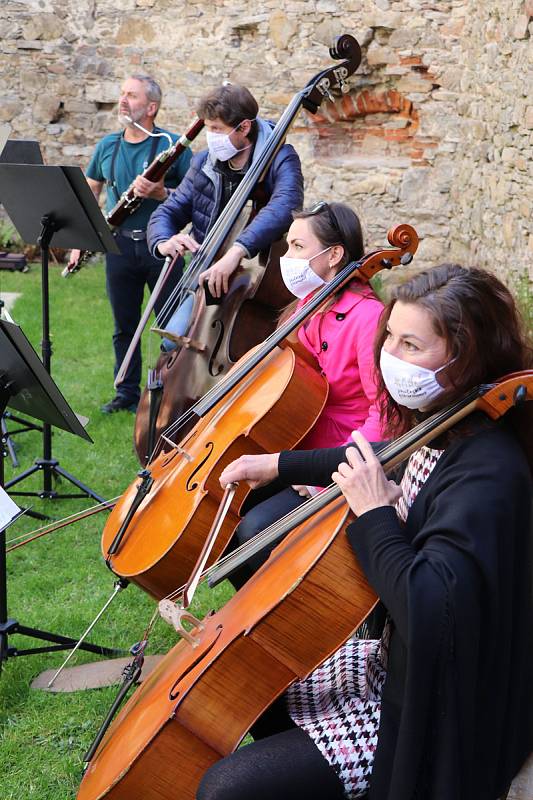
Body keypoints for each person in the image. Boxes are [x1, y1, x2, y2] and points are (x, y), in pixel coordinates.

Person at [200, 263, 533, 800]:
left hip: (434, 710)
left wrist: (375, 514)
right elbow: (382, 456)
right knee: (251, 685)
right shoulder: (449, 423)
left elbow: (432, 614)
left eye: (412, 345)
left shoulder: (490, 472)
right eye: (391, 339)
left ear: (468, 357)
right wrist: (280, 466)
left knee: (225, 789)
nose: (392, 358)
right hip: (394, 665)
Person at [228, 201, 387, 586]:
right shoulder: (308, 304)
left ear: (334, 255)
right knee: (224, 516)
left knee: (253, 534)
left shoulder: (368, 318)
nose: (287, 257)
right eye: (288, 246)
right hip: (296, 448)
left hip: (338, 460)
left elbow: (384, 418)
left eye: (298, 247)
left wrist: (323, 477)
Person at [68, 74, 192, 413]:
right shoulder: (108, 145)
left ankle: (172, 393)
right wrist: (81, 240)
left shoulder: (172, 146)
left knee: (173, 324)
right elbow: (90, 192)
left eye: (132, 96)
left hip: (162, 247)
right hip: (119, 247)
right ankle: (126, 395)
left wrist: (162, 193)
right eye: (122, 94)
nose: (123, 101)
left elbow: (195, 195)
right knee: (124, 325)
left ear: (151, 107)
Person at [146, 83, 304, 349]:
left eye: (217, 129)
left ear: (243, 128)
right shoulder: (204, 162)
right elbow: (169, 210)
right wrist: (163, 241)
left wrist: (237, 251)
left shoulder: (281, 157)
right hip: (205, 276)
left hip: (253, 281)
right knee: (172, 346)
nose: (210, 136)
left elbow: (286, 204)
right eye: (208, 128)